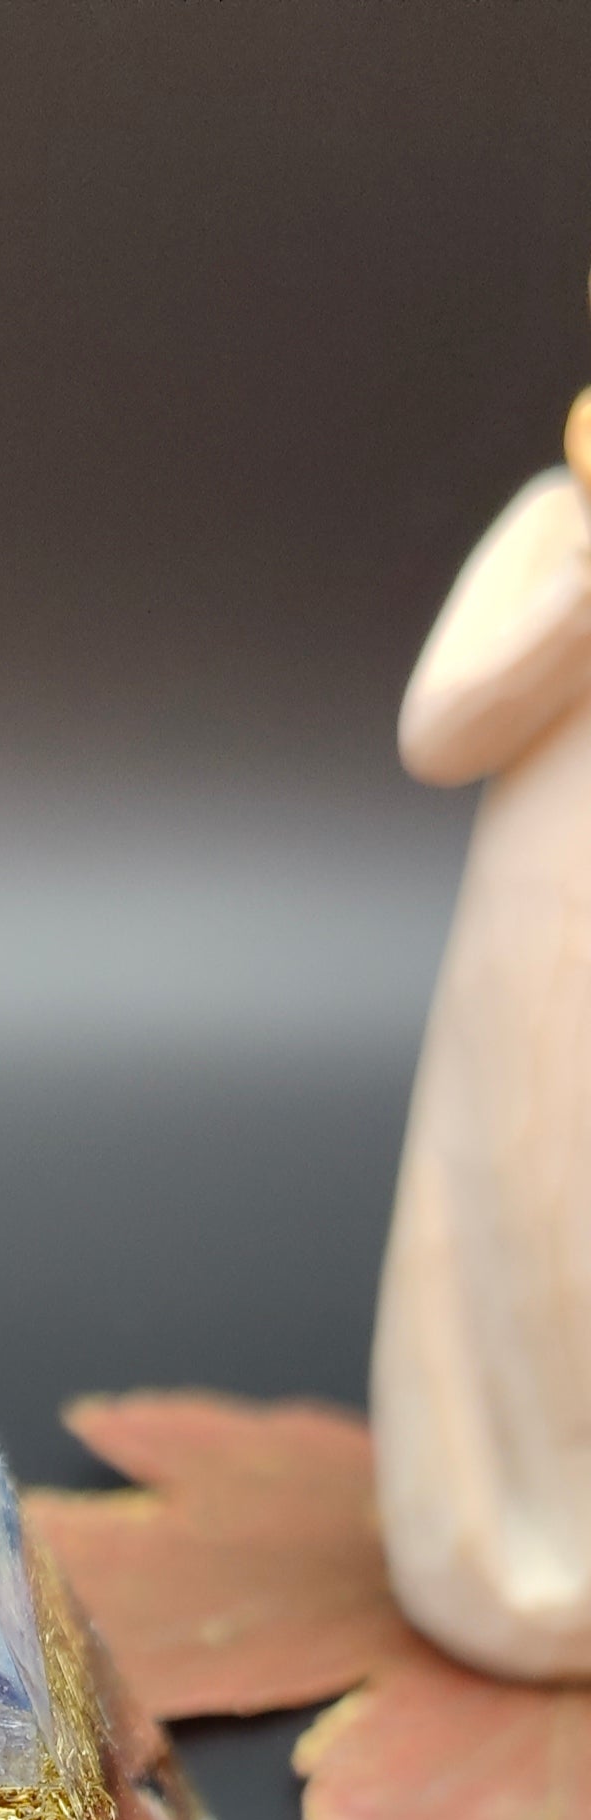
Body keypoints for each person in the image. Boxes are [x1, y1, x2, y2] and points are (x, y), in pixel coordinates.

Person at [371, 358, 591, 1677]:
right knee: (533, 1206)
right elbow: (440, 729)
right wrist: (581, 592)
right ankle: (523, 1543)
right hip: (550, 935)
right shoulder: (554, 526)